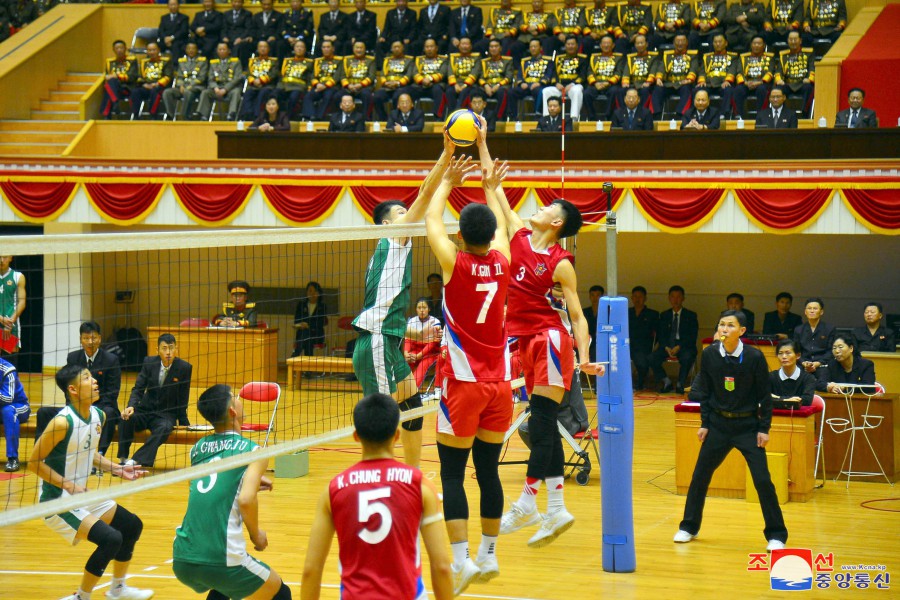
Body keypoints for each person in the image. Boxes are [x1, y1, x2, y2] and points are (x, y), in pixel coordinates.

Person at [485, 135, 605, 548]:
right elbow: (494, 188)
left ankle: (527, 502)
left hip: (551, 341)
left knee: (539, 423)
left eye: (548, 207)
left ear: (557, 223)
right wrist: (482, 142)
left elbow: (577, 315)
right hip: (524, 342)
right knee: (545, 428)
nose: (537, 206)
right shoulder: (518, 236)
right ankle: (556, 510)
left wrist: (586, 355)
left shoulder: (560, 263)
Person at [426, 135, 512, 594]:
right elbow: (497, 223)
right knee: (490, 470)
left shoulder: (452, 262)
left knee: (454, 474)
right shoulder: (504, 261)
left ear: (462, 236)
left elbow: (430, 218)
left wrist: (447, 179)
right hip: (499, 383)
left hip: (462, 383)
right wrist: (487, 181)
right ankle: (489, 554)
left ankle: (462, 562)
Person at [351, 135, 455, 469]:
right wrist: (447, 155)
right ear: (387, 223)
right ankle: (381, 477)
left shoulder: (393, 245)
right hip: (377, 340)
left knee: (412, 408)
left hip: (388, 343)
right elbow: (425, 192)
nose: (408, 214)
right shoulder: (394, 238)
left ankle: (411, 474)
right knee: (382, 420)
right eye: (401, 212)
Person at [300, 393, 453, 600]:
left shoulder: (334, 489)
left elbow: (311, 569)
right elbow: (442, 566)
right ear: (397, 435)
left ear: (356, 436)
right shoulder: (421, 485)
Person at [30, 364, 151, 600]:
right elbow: (34, 462)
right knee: (111, 539)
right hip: (57, 502)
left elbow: (88, 453)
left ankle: (117, 589)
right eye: (87, 378)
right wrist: (67, 484)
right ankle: (81, 597)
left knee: (131, 526)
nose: (94, 381)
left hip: (80, 496)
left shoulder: (99, 415)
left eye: (92, 376)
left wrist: (118, 469)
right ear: (73, 389)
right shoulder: (62, 422)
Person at [674, 310, 788, 551]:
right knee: (699, 477)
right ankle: (688, 527)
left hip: (748, 427)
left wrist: (764, 428)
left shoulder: (755, 357)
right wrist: (705, 423)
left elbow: (765, 397)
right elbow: (705, 391)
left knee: (763, 481)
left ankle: (776, 535)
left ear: (742, 331)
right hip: (718, 425)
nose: (724, 329)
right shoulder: (710, 354)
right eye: (722, 324)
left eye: (730, 325)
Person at [172, 384, 291, 600]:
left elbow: (207, 485)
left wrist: (247, 478)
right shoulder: (253, 451)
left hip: (182, 556)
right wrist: (258, 537)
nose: (239, 398)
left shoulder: (197, 449)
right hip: (221, 558)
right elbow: (246, 500)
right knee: (280, 593)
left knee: (222, 589)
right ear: (232, 411)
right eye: (235, 397)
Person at [117, 333, 192, 468]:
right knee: (125, 418)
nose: (168, 352)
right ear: (157, 350)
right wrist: (131, 406)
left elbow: (183, 397)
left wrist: (184, 422)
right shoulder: (149, 362)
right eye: (164, 348)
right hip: (145, 410)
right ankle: (122, 459)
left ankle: (136, 460)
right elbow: (138, 388)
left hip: (166, 415)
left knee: (164, 428)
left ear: (176, 349)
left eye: (171, 348)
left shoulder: (184, 367)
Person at [650, 285, 699, 394]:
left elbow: (692, 336)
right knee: (652, 358)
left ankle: (680, 383)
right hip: (666, 345)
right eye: (673, 297)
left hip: (683, 345)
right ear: (669, 298)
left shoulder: (690, 315)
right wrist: (666, 347)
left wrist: (679, 346)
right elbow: (661, 335)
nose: (675, 300)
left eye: (678, 297)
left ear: (683, 298)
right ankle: (666, 381)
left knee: (687, 357)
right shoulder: (664, 315)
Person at [196, 41, 244, 121]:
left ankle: (231, 115)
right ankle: (203, 115)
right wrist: (215, 88)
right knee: (205, 92)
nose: (221, 51)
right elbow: (210, 79)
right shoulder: (213, 63)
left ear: (229, 51)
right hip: (217, 89)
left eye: (223, 49)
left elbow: (237, 78)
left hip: (231, 89)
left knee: (236, 92)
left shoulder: (236, 62)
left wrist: (225, 89)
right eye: (220, 49)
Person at [541, 36, 586, 120]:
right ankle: (547, 118)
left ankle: (574, 118)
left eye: (572, 44)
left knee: (577, 91)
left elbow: (583, 76)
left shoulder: (583, 58)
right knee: (546, 91)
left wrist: (573, 84)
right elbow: (553, 73)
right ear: (565, 46)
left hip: (574, 85)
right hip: (560, 86)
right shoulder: (558, 58)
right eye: (568, 44)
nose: (570, 46)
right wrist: (556, 83)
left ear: (577, 46)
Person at [162, 40, 208, 121]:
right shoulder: (182, 61)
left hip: (197, 87)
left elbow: (202, 77)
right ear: (186, 50)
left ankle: (184, 116)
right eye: (189, 48)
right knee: (167, 92)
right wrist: (181, 85)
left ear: (197, 50)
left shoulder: (202, 61)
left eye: (193, 48)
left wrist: (189, 86)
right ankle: (170, 115)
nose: (191, 50)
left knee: (187, 92)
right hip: (183, 87)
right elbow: (179, 76)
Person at [510, 39, 553, 121]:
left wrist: (540, 83)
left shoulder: (548, 60)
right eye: (531, 47)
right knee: (511, 92)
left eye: (535, 46)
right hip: (526, 85)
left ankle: (538, 116)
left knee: (540, 92)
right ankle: (513, 117)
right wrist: (521, 83)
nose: (533, 49)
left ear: (540, 48)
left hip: (539, 86)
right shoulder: (524, 61)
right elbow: (519, 75)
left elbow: (549, 74)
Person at [696, 33, 738, 117]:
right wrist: (702, 81)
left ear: (726, 43)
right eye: (715, 42)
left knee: (729, 90)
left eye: (720, 41)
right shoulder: (707, 57)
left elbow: (732, 69)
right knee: (697, 90)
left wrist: (727, 80)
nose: (718, 44)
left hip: (723, 83)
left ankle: (724, 114)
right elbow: (702, 71)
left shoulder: (733, 56)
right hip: (708, 83)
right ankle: (699, 115)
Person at [774, 31, 814, 117]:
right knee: (778, 89)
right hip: (788, 83)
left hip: (802, 83)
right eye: (791, 39)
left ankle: (805, 113)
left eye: (795, 39)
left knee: (809, 88)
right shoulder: (783, 55)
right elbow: (778, 71)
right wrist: (779, 80)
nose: (793, 42)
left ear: (800, 41)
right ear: (787, 41)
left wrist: (809, 79)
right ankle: (781, 113)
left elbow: (812, 68)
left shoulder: (808, 53)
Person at [404, 298, 442, 392]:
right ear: (416, 309)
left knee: (422, 366)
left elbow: (433, 343)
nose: (421, 310)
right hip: (415, 350)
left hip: (430, 353)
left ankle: (413, 392)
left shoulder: (435, 322)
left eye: (424, 307)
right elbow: (408, 340)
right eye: (419, 307)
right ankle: (401, 390)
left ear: (429, 309)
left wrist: (419, 355)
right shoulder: (412, 321)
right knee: (406, 364)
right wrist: (406, 353)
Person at [732, 35, 773, 118]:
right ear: (751, 45)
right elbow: (739, 72)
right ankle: (738, 116)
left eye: (759, 43)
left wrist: (759, 82)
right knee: (738, 90)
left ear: (764, 45)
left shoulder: (769, 57)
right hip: (747, 83)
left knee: (762, 89)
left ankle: (761, 116)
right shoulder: (743, 57)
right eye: (754, 43)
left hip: (762, 83)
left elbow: (770, 72)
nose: (756, 45)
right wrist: (746, 82)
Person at [583, 34, 622, 122]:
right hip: (596, 84)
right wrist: (595, 83)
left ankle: (608, 117)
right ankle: (592, 118)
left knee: (615, 91)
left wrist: (608, 83)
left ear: (613, 45)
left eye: (608, 43)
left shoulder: (618, 57)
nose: (606, 45)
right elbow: (590, 71)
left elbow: (619, 72)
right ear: (600, 45)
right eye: (604, 43)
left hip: (611, 84)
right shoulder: (594, 57)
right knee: (586, 93)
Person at [301, 39, 343, 120]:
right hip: (319, 86)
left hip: (332, 87)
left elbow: (337, 76)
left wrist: (325, 85)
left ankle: (319, 118)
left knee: (327, 96)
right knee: (308, 96)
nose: (326, 49)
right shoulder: (318, 61)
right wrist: (317, 84)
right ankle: (310, 116)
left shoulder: (339, 60)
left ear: (333, 49)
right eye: (324, 47)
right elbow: (313, 76)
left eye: (328, 47)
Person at [239, 40, 280, 121]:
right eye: (261, 47)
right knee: (248, 93)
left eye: (265, 47)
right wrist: (253, 81)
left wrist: (261, 80)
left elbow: (274, 73)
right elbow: (247, 73)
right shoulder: (252, 61)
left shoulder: (274, 61)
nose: (263, 49)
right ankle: (247, 115)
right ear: (257, 49)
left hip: (267, 85)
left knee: (262, 93)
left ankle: (257, 115)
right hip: (253, 85)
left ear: (268, 49)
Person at [131, 42, 173, 120]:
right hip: (146, 86)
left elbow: (168, 76)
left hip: (160, 86)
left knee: (155, 92)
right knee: (135, 92)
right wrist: (143, 84)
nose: (152, 52)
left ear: (158, 50)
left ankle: (153, 115)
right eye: (149, 50)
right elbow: (140, 76)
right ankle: (135, 114)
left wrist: (157, 84)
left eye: (154, 50)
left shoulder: (166, 61)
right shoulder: (144, 62)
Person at [1, 355, 29, 472]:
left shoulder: (8, 369)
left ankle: (12, 458)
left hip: (18, 405)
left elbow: (8, 398)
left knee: (8, 412)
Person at [374, 41, 415, 121]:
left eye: (398, 47)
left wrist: (398, 83)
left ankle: (396, 119)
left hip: (402, 87)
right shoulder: (386, 60)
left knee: (398, 96)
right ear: (391, 49)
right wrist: (385, 83)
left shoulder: (409, 60)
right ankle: (384, 119)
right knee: (376, 96)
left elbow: (409, 75)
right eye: (394, 47)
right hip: (387, 87)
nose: (396, 49)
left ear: (403, 48)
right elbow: (382, 74)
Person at [793, 297, 835, 374]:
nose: (812, 311)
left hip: (822, 365)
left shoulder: (829, 329)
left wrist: (817, 363)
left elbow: (831, 351)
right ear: (805, 312)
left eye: (815, 308)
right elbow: (796, 351)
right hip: (803, 365)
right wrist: (803, 363)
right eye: (809, 308)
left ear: (821, 312)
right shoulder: (798, 329)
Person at [769, 338, 816, 407]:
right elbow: (765, 398)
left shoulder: (808, 378)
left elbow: (807, 400)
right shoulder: (770, 377)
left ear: (798, 355)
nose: (784, 357)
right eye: (780, 353)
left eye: (788, 353)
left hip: (800, 417)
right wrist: (787, 400)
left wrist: (778, 398)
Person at [629, 285, 658, 390]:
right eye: (635, 296)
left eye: (640, 297)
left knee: (642, 362)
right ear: (631, 298)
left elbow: (657, 333)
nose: (637, 299)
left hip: (644, 346)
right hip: (627, 345)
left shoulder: (652, 314)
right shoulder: (626, 313)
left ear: (645, 298)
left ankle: (639, 384)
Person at [101, 40, 138, 119]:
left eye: (121, 48)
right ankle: (115, 103)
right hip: (115, 89)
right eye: (117, 48)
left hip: (127, 87)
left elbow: (132, 77)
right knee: (110, 84)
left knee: (110, 85)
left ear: (125, 49)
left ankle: (107, 113)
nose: (119, 50)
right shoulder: (110, 62)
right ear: (113, 50)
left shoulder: (132, 60)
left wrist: (117, 76)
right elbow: (107, 76)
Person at [479, 39, 514, 120]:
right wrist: (485, 85)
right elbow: (480, 77)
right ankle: (478, 117)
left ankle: (499, 118)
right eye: (491, 47)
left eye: (496, 46)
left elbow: (509, 77)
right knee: (475, 92)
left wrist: (498, 85)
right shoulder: (484, 62)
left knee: (502, 93)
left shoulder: (507, 61)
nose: (493, 49)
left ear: (500, 48)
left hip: (501, 87)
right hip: (487, 87)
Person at [277, 40, 313, 118]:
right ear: (294, 49)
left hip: (298, 86)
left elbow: (310, 77)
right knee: (274, 94)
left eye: (301, 47)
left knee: (293, 98)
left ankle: (288, 118)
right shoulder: (287, 61)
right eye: (297, 47)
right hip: (284, 85)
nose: (299, 49)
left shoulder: (309, 62)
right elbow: (282, 75)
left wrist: (309, 87)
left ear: (305, 49)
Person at [292, 281, 328, 357]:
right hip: (303, 334)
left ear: (319, 293)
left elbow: (320, 323)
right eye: (310, 291)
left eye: (315, 291)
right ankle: (309, 367)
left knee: (306, 336)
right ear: (306, 292)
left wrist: (307, 325)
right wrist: (301, 325)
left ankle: (295, 355)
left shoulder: (322, 307)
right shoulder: (301, 305)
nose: (312, 293)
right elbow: (296, 320)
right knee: (306, 337)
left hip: (316, 335)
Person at [0, 255, 26, 361]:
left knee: (10, 362)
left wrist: (9, 322)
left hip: (11, 325)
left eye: (5, 257)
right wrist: (1, 319)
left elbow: (22, 302)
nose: (1, 260)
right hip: (2, 320)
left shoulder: (18, 276)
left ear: (11, 257)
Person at [341, 41, 376, 118]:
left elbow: (371, 76)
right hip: (349, 87)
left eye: (361, 48)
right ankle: (340, 119)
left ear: (365, 49)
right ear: (353, 49)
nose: (359, 50)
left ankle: (365, 119)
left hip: (363, 88)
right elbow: (342, 75)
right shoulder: (346, 60)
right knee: (337, 96)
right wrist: (348, 85)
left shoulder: (371, 60)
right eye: (357, 47)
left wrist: (360, 85)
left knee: (367, 95)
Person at [377, 0, 417, 65]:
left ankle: (406, 66)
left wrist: (409, 38)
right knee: (379, 45)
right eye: (399, 1)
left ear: (406, 2)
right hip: (392, 38)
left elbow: (414, 29)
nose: (401, 3)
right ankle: (381, 67)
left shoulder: (412, 13)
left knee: (409, 46)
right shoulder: (390, 13)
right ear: (396, 2)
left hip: (405, 39)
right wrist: (383, 37)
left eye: (403, 1)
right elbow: (386, 28)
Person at [221, 0, 254, 69]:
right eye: (234, 2)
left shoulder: (247, 14)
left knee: (239, 47)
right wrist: (224, 36)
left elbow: (248, 28)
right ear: (231, 2)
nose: (236, 4)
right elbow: (223, 28)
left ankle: (235, 68)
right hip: (229, 37)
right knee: (221, 45)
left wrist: (241, 38)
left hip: (241, 38)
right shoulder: (226, 14)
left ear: (242, 3)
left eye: (239, 2)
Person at [582, 284, 604, 361]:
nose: (595, 298)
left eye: (598, 295)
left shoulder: (607, 312)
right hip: (587, 342)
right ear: (589, 297)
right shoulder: (584, 312)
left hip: (602, 343)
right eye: (592, 295)